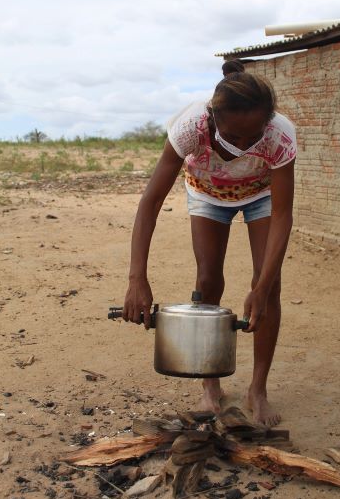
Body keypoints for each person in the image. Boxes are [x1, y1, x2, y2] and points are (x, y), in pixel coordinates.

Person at [123, 60, 296, 426]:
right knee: (207, 281)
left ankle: (258, 390)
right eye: (234, 138)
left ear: (267, 123)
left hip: (259, 195)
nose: (244, 146)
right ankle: (210, 383)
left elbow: (282, 215)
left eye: (253, 138)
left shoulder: (280, 136)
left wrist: (261, 287)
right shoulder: (191, 127)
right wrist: (137, 277)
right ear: (214, 121)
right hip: (208, 194)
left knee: (269, 285)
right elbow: (150, 202)